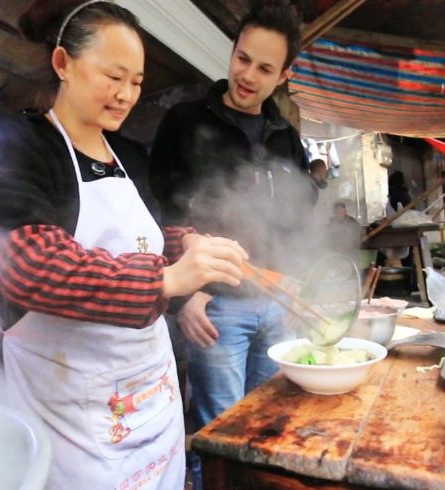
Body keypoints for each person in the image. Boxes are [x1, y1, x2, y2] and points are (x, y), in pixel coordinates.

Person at [0, 2, 249, 488]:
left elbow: (152, 240)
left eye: (137, 82)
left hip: (153, 403)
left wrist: (193, 248)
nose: (126, 95)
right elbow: (27, 264)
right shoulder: (21, 145)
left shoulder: (131, 158)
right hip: (74, 421)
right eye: (113, 76)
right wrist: (166, 278)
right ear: (63, 64)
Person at [148, 1, 310, 484]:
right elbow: (159, 213)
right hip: (215, 307)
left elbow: (299, 217)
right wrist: (185, 295)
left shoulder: (286, 136)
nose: (247, 76)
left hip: (277, 303)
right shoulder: (185, 121)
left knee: (268, 428)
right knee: (222, 437)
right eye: (242, 58)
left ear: (284, 75)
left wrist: (299, 277)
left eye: (264, 68)